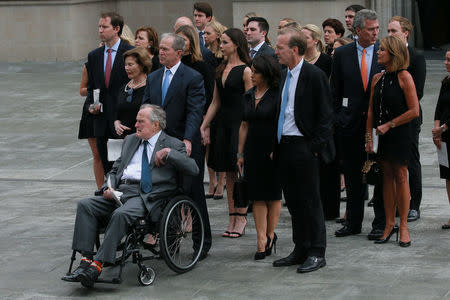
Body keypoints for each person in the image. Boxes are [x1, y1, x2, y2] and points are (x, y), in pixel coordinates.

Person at [62, 104, 199, 287]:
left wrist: (169, 154)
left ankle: (98, 264)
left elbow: (193, 169)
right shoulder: (131, 140)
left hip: (147, 195)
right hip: (120, 192)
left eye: (140, 122)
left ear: (156, 125)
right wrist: (108, 186)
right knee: (85, 205)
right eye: (136, 121)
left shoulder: (173, 144)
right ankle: (85, 260)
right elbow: (115, 169)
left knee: (121, 214)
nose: (135, 125)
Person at [142, 33, 212, 258]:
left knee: (193, 193)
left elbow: (195, 111)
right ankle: (169, 245)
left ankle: (202, 244)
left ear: (179, 53)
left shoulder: (192, 77)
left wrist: (189, 139)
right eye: (160, 48)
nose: (160, 52)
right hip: (159, 144)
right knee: (165, 194)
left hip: (184, 144)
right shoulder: (153, 78)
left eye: (165, 49)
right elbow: (146, 107)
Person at [272, 28, 333, 273]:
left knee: (310, 200)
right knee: (294, 201)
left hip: (304, 146)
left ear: (295, 50)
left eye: (280, 47)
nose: (276, 51)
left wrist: (314, 148)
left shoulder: (314, 75)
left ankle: (317, 251)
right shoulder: (282, 74)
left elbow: (326, 116)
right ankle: (301, 247)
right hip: (284, 145)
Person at [331, 9, 385, 240]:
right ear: (358, 30)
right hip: (350, 125)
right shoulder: (342, 54)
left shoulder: (385, 51)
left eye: (377, 29)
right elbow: (335, 90)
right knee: (353, 176)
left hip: (379, 125)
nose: (375, 33)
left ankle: (381, 223)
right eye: (371, 29)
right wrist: (337, 118)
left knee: (379, 174)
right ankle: (353, 222)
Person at [365, 36, 419, 247]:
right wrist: (368, 137)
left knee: (401, 176)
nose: (378, 52)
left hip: (399, 134)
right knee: (385, 178)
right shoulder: (377, 78)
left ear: (393, 54)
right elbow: (370, 110)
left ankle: (403, 225)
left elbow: (414, 110)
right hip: (380, 135)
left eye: (382, 50)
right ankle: (388, 224)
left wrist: (390, 124)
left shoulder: (405, 76)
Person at [200, 28, 252, 238]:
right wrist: (204, 125)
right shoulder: (220, 68)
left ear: (236, 45)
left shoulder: (247, 71)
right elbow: (215, 102)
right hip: (222, 124)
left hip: (239, 125)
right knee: (228, 172)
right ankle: (232, 215)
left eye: (225, 42)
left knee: (239, 173)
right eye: (220, 42)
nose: (220, 46)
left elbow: (250, 103)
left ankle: (241, 217)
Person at [236, 55, 281, 260]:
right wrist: (240, 152)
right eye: (251, 71)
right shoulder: (248, 95)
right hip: (252, 149)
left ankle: (270, 235)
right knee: (257, 195)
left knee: (272, 194)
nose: (252, 75)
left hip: (272, 148)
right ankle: (261, 239)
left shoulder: (277, 95)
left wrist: (277, 147)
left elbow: (281, 124)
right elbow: (244, 125)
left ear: (267, 73)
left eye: (256, 72)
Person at [85, 12, 134, 179]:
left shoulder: (130, 53)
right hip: (101, 121)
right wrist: (92, 106)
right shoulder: (94, 56)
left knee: (124, 165)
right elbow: (91, 89)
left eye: (104, 27)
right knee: (106, 164)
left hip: (123, 121)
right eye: (99, 26)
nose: (100, 30)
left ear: (116, 29)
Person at [387, 16, 426, 222]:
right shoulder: (387, 54)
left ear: (406, 33)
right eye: (389, 31)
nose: (390, 35)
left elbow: (417, 92)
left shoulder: (416, 56)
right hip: (388, 119)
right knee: (391, 162)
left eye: (394, 31)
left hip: (408, 118)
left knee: (411, 161)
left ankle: (414, 204)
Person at [114, 48, 152, 138]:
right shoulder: (124, 88)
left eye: (130, 64)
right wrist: (117, 124)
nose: (126, 68)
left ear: (142, 65)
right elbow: (118, 114)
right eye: (125, 65)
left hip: (144, 139)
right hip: (124, 140)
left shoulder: (151, 88)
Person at [78, 63, 104, 189]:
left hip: (111, 110)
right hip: (92, 109)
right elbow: (82, 90)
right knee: (97, 154)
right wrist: (95, 90)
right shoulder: (89, 66)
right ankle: (100, 189)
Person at [432, 49, 450, 230]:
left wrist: (442, 128)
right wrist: (437, 128)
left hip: (446, 131)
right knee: (447, 175)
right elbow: (439, 107)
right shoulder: (446, 82)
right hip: (443, 136)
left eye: (449, 60)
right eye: (445, 59)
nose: (445, 63)